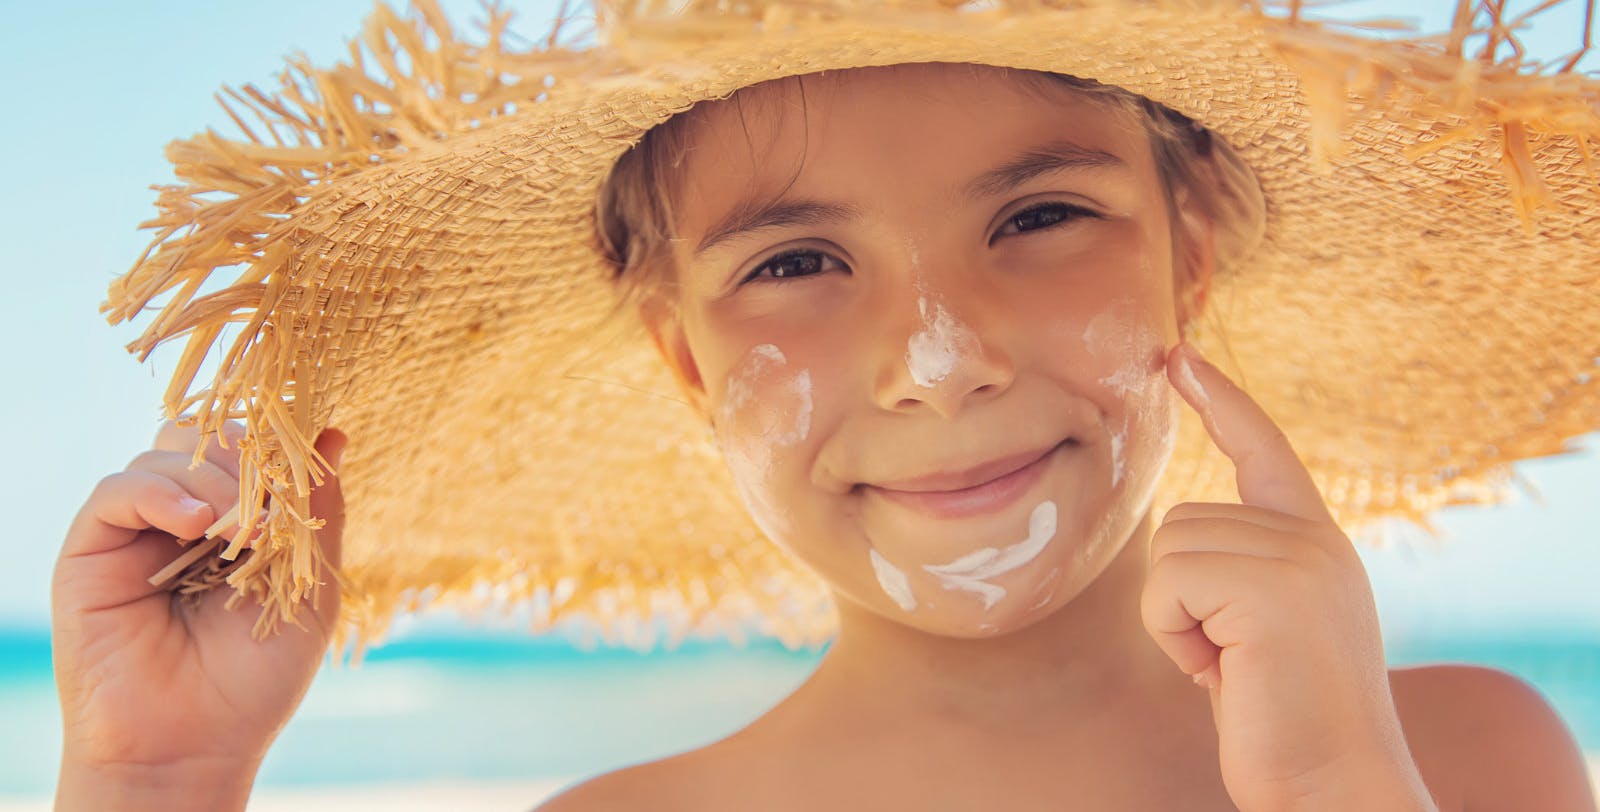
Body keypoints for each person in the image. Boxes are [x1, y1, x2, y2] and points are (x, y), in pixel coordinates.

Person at [52, 2, 1600, 811]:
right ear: (688, 365)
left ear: (1187, 269)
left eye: (1041, 217)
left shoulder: (1463, 758)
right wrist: (156, 783)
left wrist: (1334, 788)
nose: (939, 357)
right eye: (795, 263)